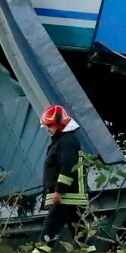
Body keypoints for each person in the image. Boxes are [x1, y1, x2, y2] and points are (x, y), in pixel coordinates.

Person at [39, 104, 88, 245]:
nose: (48, 129)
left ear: (59, 125)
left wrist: (59, 190)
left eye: (50, 125)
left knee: (51, 224)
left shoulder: (66, 141)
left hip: (66, 195)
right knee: (79, 230)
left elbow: (68, 166)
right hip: (70, 195)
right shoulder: (64, 140)